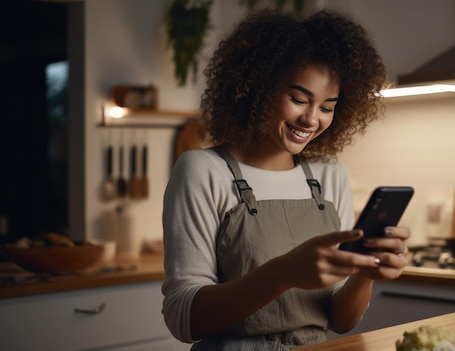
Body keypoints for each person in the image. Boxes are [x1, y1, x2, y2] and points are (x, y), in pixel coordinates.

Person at [162, 9, 411, 350]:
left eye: (327, 107)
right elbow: (184, 318)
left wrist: (367, 271)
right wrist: (282, 273)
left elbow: (340, 320)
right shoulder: (203, 170)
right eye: (298, 99)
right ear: (256, 88)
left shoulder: (329, 173)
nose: (311, 119)